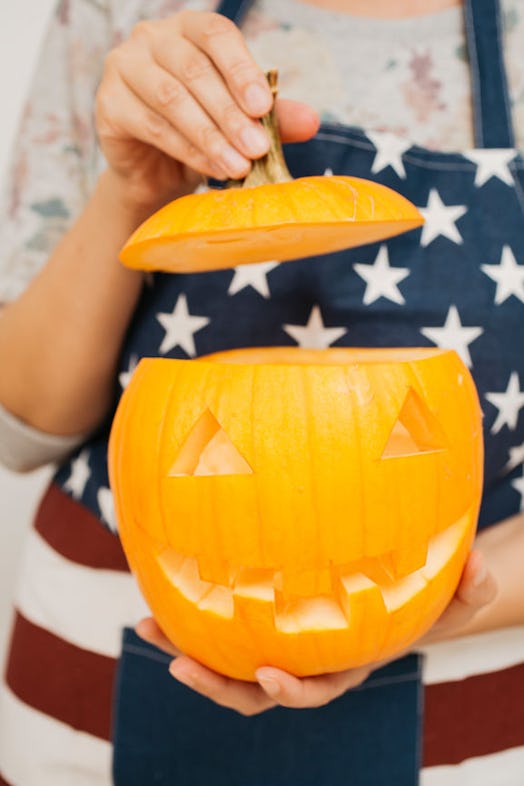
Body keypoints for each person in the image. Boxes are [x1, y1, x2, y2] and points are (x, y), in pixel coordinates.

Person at [0, 0, 523, 783]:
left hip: (468, 698)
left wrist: (385, 623)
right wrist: (131, 189)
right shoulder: (119, 13)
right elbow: (25, 425)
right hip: (98, 663)